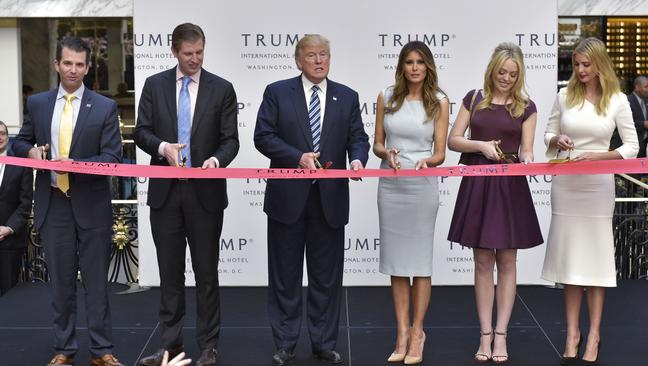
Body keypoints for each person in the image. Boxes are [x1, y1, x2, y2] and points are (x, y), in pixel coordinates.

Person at [254, 34, 369, 365]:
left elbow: (357, 137)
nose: (319, 60)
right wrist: (296, 157)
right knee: (285, 277)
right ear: (298, 60)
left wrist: (358, 158)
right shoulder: (277, 92)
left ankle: (323, 341)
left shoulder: (347, 97)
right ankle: (285, 342)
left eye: (324, 55)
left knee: (326, 278)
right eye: (311, 55)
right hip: (287, 200)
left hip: (329, 202)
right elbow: (263, 136)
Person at [13, 37, 124, 366]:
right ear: (56, 64)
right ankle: (64, 348)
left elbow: (113, 157)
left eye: (80, 64)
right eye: (68, 63)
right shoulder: (38, 103)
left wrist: (77, 166)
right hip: (53, 203)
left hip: (91, 203)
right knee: (61, 285)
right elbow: (21, 142)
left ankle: (102, 350)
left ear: (88, 67)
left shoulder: (105, 107)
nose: (73, 70)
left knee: (96, 286)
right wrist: (31, 151)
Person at [134, 23, 239, 366]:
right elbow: (141, 132)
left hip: (205, 193)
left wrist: (215, 160)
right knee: (169, 274)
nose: (195, 59)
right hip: (165, 192)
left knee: (207, 273)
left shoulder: (222, 89)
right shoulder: (154, 85)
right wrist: (163, 147)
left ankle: (209, 345)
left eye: (200, 53)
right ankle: (171, 347)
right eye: (188, 54)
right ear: (174, 52)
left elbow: (231, 140)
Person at [541, 37, 638, 366]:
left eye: (586, 65)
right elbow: (547, 134)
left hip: (597, 187)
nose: (580, 71)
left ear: (599, 64)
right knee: (570, 264)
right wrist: (557, 138)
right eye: (577, 65)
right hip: (566, 185)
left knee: (595, 265)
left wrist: (601, 156)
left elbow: (632, 147)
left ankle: (594, 333)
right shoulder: (563, 96)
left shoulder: (618, 100)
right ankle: (572, 334)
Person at [447, 42, 543, 364]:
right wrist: (481, 146)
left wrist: (528, 160)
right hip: (478, 180)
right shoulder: (473, 98)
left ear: (519, 76)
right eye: (502, 72)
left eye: (513, 74)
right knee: (482, 262)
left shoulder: (526, 107)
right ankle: (484, 333)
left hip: (509, 185)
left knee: (508, 262)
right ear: (492, 70)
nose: (506, 78)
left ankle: (501, 334)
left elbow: (527, 149)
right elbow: (453, 139)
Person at [373, 41, 448, 365]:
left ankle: (418, 332)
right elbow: (377, 143)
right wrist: (386, 153)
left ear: (428, 66)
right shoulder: (386, 97)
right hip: (391, 184)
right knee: (397, 264)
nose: (415, 67)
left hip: (421, 185)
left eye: (420, 62)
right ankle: (401, 332)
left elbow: (441, 152)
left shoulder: (440, 102)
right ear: (402, 66)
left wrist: (427, 162)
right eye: (409, 62)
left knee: (420, 263)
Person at [0, 120, 33, 296]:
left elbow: (25, 203)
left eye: (3, 133)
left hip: (9, 241)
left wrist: (8, 228)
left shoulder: (21, 165)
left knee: (7, 293)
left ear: (7, 137)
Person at [610, 75, 648, 157]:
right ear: (637, 87)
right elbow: (623, 124)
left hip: (644, 147)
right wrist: (644, 124)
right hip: (627, 148)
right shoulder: (626, 101)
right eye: (646, 87)